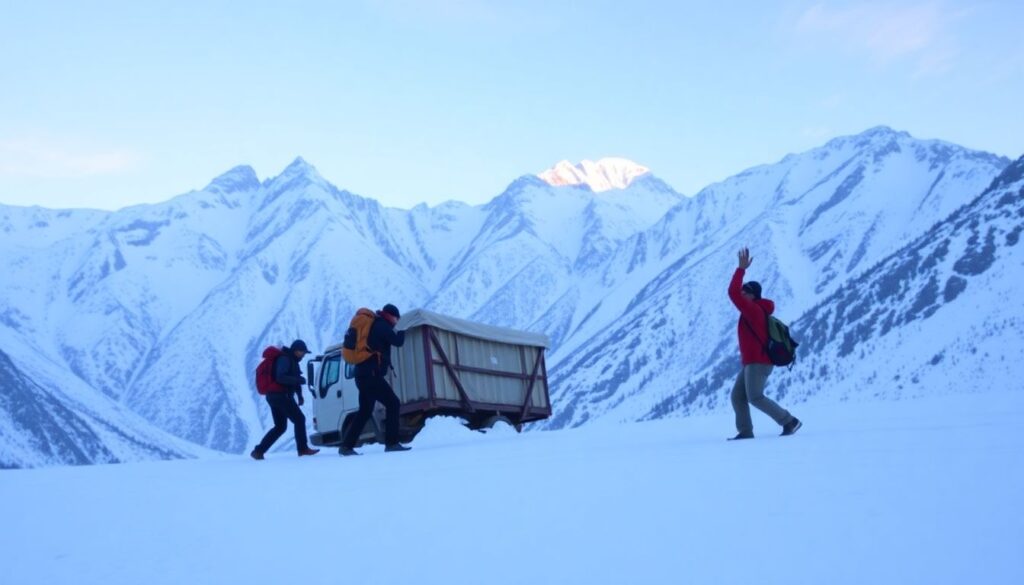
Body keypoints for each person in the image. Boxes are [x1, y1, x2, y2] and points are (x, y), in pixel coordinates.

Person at [727, 248, 802, 440]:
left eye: (746, 292)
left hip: (759, 362)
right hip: (751, 362)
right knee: (738, 397)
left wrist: (741, 269)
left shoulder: (753, 311)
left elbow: (732, 292)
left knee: (755, 397)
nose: (742, 294)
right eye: (743, 292)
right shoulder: (752, 311)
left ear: (753, 296)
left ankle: (789, 421)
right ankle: (745, 431)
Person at [339, 304, 411, 456]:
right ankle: (391, 443)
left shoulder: (374, 324)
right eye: (396, 319)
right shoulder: (381, 326)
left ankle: (346, 446)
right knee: (393, 403)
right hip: (371, 375)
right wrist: (403, 329)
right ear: (391, 316)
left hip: (361, 374)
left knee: (365, 411)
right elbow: (398, 341)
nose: (396, 322)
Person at [251, 339, 321, 459]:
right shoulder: (285, 359)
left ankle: (258, 451)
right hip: (280, 396)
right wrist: (298, 381)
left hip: (274, 396)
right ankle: (303, 449)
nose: (304, 355)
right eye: (303, 352)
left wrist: (299, 395)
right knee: (299, 419)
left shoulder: (291, 360)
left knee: (280, 427)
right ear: (296, 351)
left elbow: (293, 378)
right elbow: (280, 377)